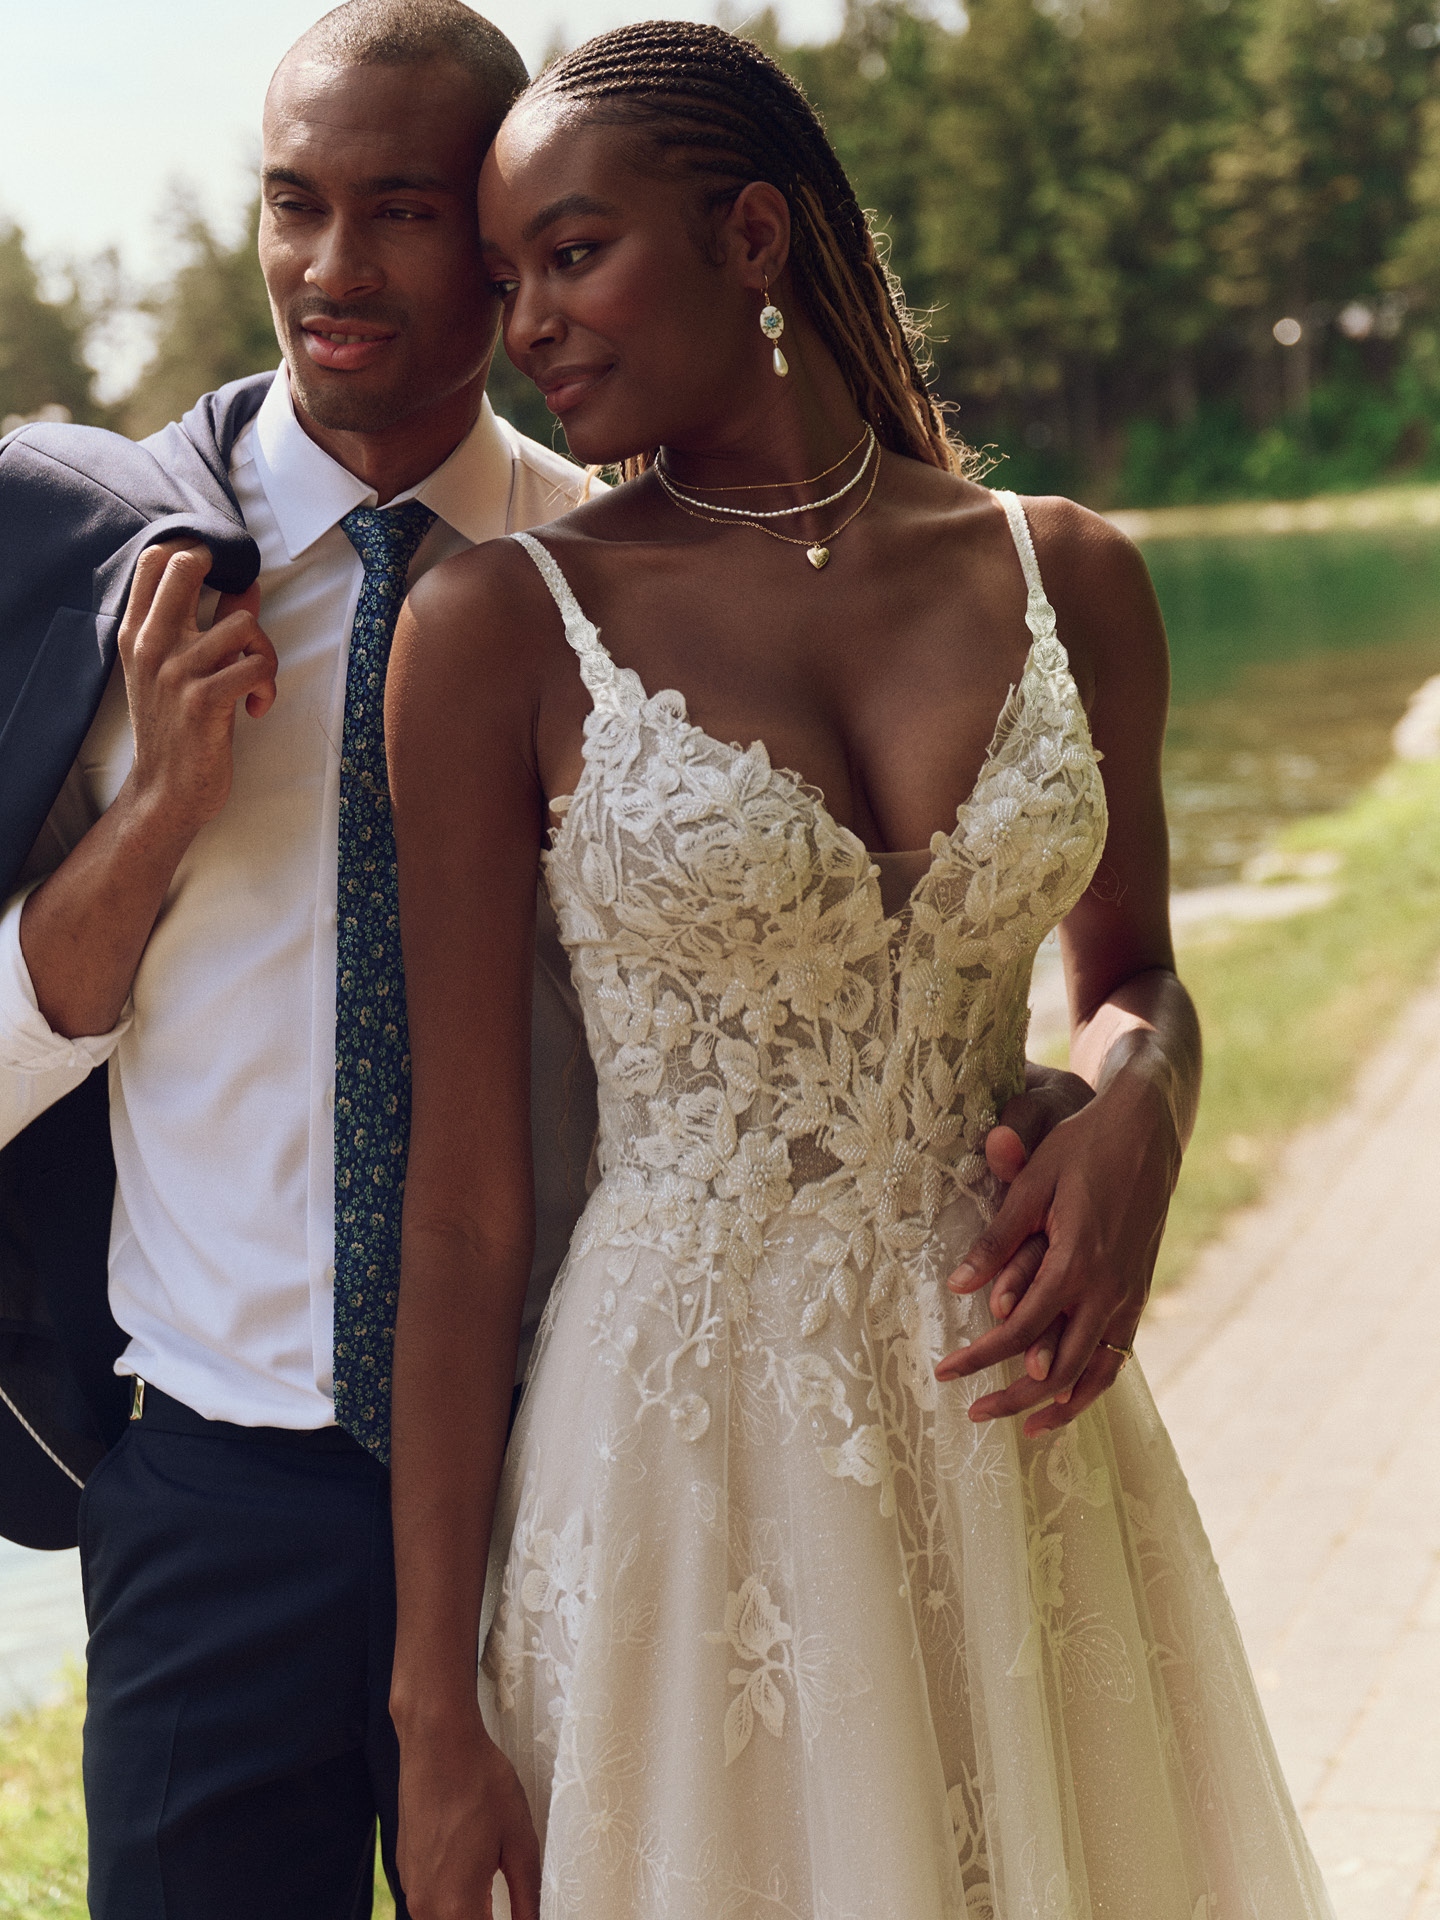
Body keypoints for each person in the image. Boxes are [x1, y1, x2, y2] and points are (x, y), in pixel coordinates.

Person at [384, 21, 1337, 1920]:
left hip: (1022, 1455)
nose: (529, 327)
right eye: (504, 283)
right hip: (684, 1476)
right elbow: (467, 1212)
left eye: (571, 253)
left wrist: (1140, 1100)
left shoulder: (1072, 575)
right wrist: (432, 1715)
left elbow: (1135, 975)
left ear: (751, 239)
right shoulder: (498, 628)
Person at [0, 3, 603, 1913]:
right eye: (294, 205)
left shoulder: (620, 582)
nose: (329, 272)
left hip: (564, 1483)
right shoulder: (98, 571)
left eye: (400, 213)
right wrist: (159, 810)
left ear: (499, 243)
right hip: (212, 1503)